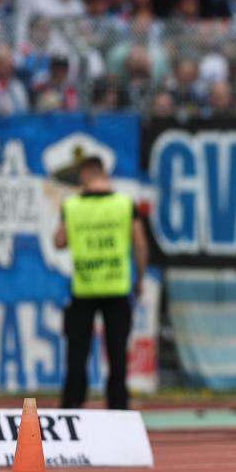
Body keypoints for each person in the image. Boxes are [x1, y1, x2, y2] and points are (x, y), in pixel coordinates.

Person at [53, 156, 149, 410]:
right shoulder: (124, 204)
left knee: (77, 353)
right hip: (116, 287)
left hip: (83, 288)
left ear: (84, 175)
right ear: (103, 173)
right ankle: (118, 406)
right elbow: (139, 244)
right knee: (117, 353)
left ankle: (72, 405)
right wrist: (139, 279)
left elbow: (59, 242)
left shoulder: (72, 205)